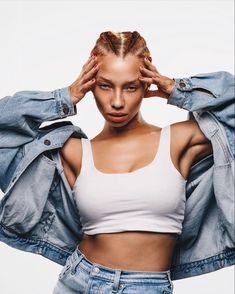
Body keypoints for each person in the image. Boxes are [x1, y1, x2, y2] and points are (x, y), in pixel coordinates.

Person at [0, 31, 234, 294]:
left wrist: (177, 89)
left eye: (131, 86)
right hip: (77, 281)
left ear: (147, 82)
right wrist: (63, 97)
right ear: (90, 84)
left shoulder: (180, 140)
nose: (117, 101)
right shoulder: (74, 152)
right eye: (105, 85)